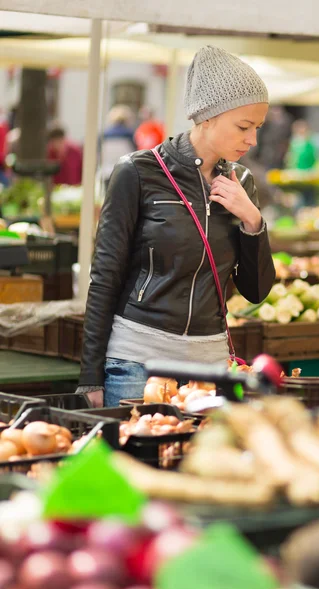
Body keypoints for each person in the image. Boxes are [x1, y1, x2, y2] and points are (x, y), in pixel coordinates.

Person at [77, 46, 276, 407]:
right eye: (244, 127)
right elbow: (105, 275)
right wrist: (90, 376)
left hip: (210, 368)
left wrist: (253, 222)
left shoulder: (241, 183)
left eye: (258, 128)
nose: (253, 140)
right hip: (138, 361)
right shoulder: (137, 172)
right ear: (207, 117)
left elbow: (256, 290)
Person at [99, 105, 137, 189]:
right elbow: (135, 153)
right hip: (125, 171)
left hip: (107, 171)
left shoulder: (104, 135)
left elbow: (99, 154)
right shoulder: (129, 134)